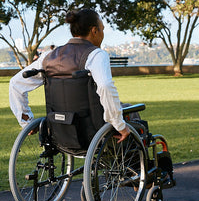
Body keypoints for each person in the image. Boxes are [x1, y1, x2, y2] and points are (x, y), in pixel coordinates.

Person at [9, 8, 129, 143]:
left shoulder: (49, 56)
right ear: (94, 31)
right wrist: (120, 125)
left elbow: (16, 83)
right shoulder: (96, 55)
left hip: (58, 129)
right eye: (102, 29)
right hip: (92, 130)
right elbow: (105, 86)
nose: (103, 33)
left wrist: (26, 122)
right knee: (130, 111)